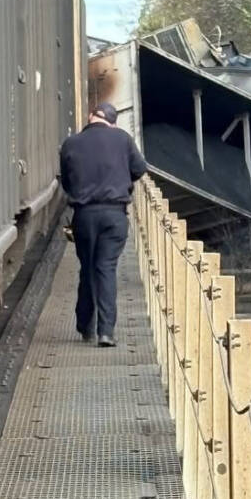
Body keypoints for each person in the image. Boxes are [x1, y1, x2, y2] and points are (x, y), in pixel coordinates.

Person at [59, 102, 147, 347]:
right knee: (105, 268)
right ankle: (106, 332)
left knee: (87, 267)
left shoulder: (71, 143)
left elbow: (66, 181)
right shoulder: (123, 139)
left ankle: (85, 326)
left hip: (84, 215)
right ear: (112, 122)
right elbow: (140, 169)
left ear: (90, 118)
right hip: (114, 215)